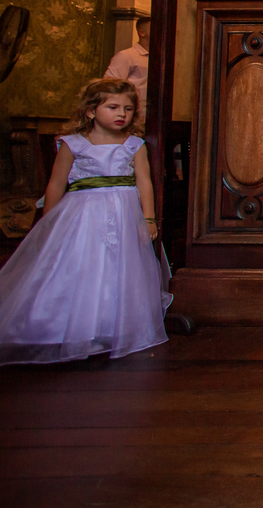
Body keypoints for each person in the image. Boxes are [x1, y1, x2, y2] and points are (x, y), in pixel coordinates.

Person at [0, 79, 172, 365]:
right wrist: (49, 221)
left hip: (123, 214)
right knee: (82, 265)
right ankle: (68, 327)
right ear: (91, 111)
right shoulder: (73, 144)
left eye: (128, 109)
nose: (122, 114)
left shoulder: (134, 145)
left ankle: (112, 326)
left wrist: (149, 218)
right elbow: (56, 185)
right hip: (82, 214)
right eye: (113, 107)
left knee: (120, 268)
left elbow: (144, 182)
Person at [105, 17, 151, 118]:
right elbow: (111, 87)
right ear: (142, 33)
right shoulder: (126, 56)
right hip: (133, 116)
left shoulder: (161, 59)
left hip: (153, 117)